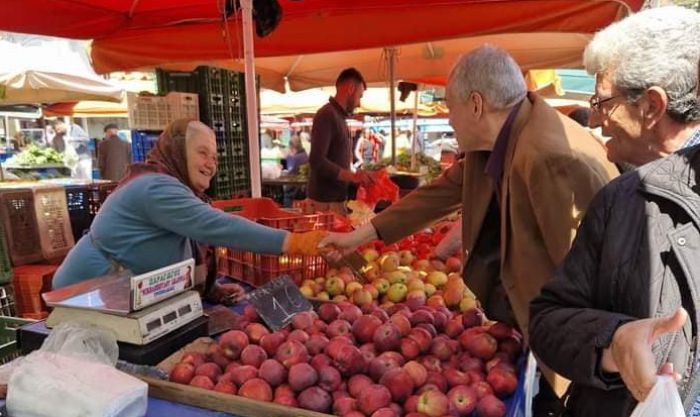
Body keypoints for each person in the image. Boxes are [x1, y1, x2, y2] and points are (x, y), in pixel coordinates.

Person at [321, 45, 619, 414]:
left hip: (575, 350)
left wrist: (575, 369)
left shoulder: (548, 156)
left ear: (476, 104)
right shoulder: (498, 140)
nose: (448, 119)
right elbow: (438, 195)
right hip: (539, 327)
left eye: (450, 107)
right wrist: (358, 236)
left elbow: (585, 276)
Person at [529, 6, 700, 417]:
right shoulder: (621, 200)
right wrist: (614, 342)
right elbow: (549, 320)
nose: (599, 120)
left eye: (603, 101)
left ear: (652, 107)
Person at [53, 119, 327, 304]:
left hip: (121, 295)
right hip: (86, 296)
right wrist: (295, 242)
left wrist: (211, 290)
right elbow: (218, 226)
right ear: (177, 151)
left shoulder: (176, 189)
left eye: (215, 157)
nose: (211, 164)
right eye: (202, 153)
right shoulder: (155, 187)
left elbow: (181, 248)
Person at [307, 68, 374, 215]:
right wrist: (352, 176)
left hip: (334, 202)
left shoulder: (338, 117)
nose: (358, 103)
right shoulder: (327, 114)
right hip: (324, 205)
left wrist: (356, 175)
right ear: (350, 89)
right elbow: (316, 160)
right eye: (359, 96)